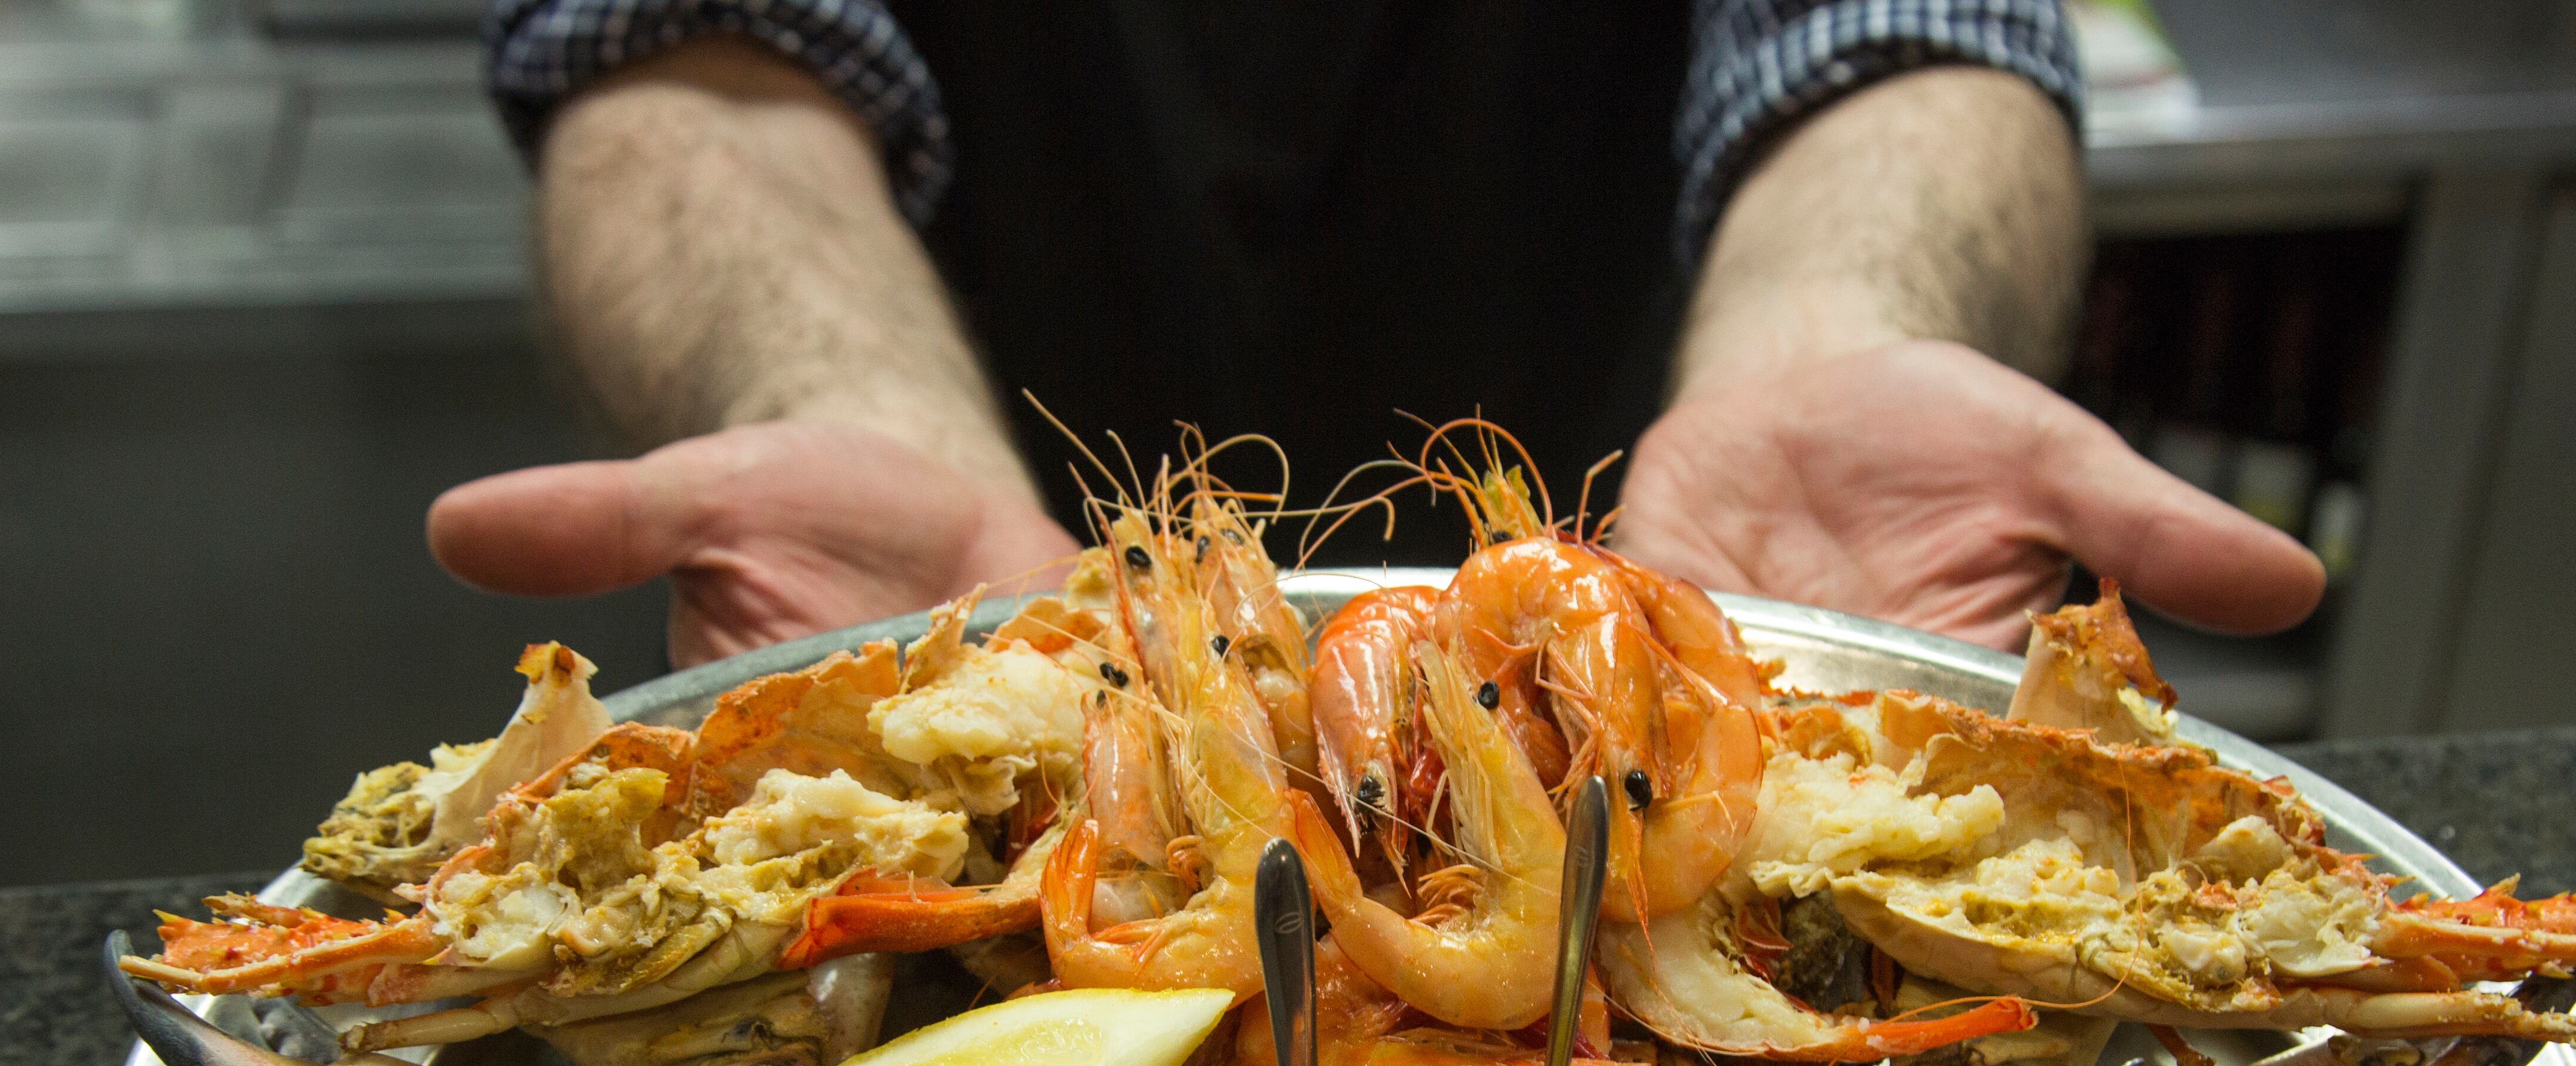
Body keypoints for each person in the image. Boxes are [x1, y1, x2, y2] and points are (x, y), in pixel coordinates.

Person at [427, 1, 2321, 667]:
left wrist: (1850, 335)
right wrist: (823, 395)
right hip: (959, 550)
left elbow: (1909, 21)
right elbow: (672, 35)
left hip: (1688, 540)